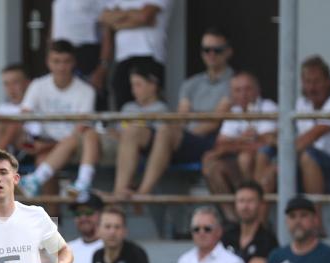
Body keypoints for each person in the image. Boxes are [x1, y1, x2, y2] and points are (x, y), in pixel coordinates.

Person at [116, 28, 233, 200]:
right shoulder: (191, 83)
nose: (211, 54)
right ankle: (118, 193)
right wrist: (181, 129)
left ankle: (142, 194)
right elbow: (181, 116)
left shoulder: (235, 82)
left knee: (166, 130)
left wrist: (181, 130)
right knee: (133, 130)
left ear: (228, 52)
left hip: (210, 143)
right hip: (182, 138)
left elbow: (214, 122)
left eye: (217, 50)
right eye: (206, 50)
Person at [19, 41, 99, 201]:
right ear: (48, 62)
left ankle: (34, 182)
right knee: (43, 162)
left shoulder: (86, 90)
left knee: (47, 161)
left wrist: (46, 145)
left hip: (75, 143)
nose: (61, 67)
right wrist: (28, 141)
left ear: (73, 63)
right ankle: (54, 220)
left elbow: (80, 131)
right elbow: (23, 118)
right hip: (49, 143)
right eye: (56, 61)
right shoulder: (38, 85)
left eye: (66, 61)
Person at [259, 56, 330, 202]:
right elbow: (283, 133)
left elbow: (309, 138)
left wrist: (278, 163)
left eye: (316, 82)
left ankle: (314, 216)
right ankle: (259, 220)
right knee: (264, 153)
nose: (311, 87)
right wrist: (272, 139)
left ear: (328, 82)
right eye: (307, 82)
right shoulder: (302, 103)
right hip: (308, 166)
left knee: (307, 156)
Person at [202, 72, 277, 197]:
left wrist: (234, 143)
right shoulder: (234, 111)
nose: (243, 94)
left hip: (268, 164)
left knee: (245, 158)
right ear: (232, 94)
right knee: (212, 166)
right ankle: (233, 214)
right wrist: (242, 141)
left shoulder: (268, 107)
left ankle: (250, 201)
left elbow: (265, 142)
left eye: (248, 89)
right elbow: (220, 144)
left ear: (258, 91)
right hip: (239, 163)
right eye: (238, 90)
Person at [110, 64, 169, 198]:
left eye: (138, 85)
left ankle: (119, 193)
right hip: (120, 151)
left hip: (145, 156)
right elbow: (118, 131)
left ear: (153, 85)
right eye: (132, 85)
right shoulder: (128, 107)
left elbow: (160, 139)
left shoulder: (161, 109)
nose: (134, 90)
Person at [99, 1, 170, 110]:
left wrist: (117, 20)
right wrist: (133, 15)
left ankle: (149, 128)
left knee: (151, 108)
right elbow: (104, 18)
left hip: (149, 55)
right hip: (122, 58)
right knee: (124, 113)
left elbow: (144, 17)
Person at [50, 0, 111, 108]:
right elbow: (55, 25)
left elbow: (106, 33)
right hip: (60, 51)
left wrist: (102, 67)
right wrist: (50, 51)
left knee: (92, 97)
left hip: (86, 53)